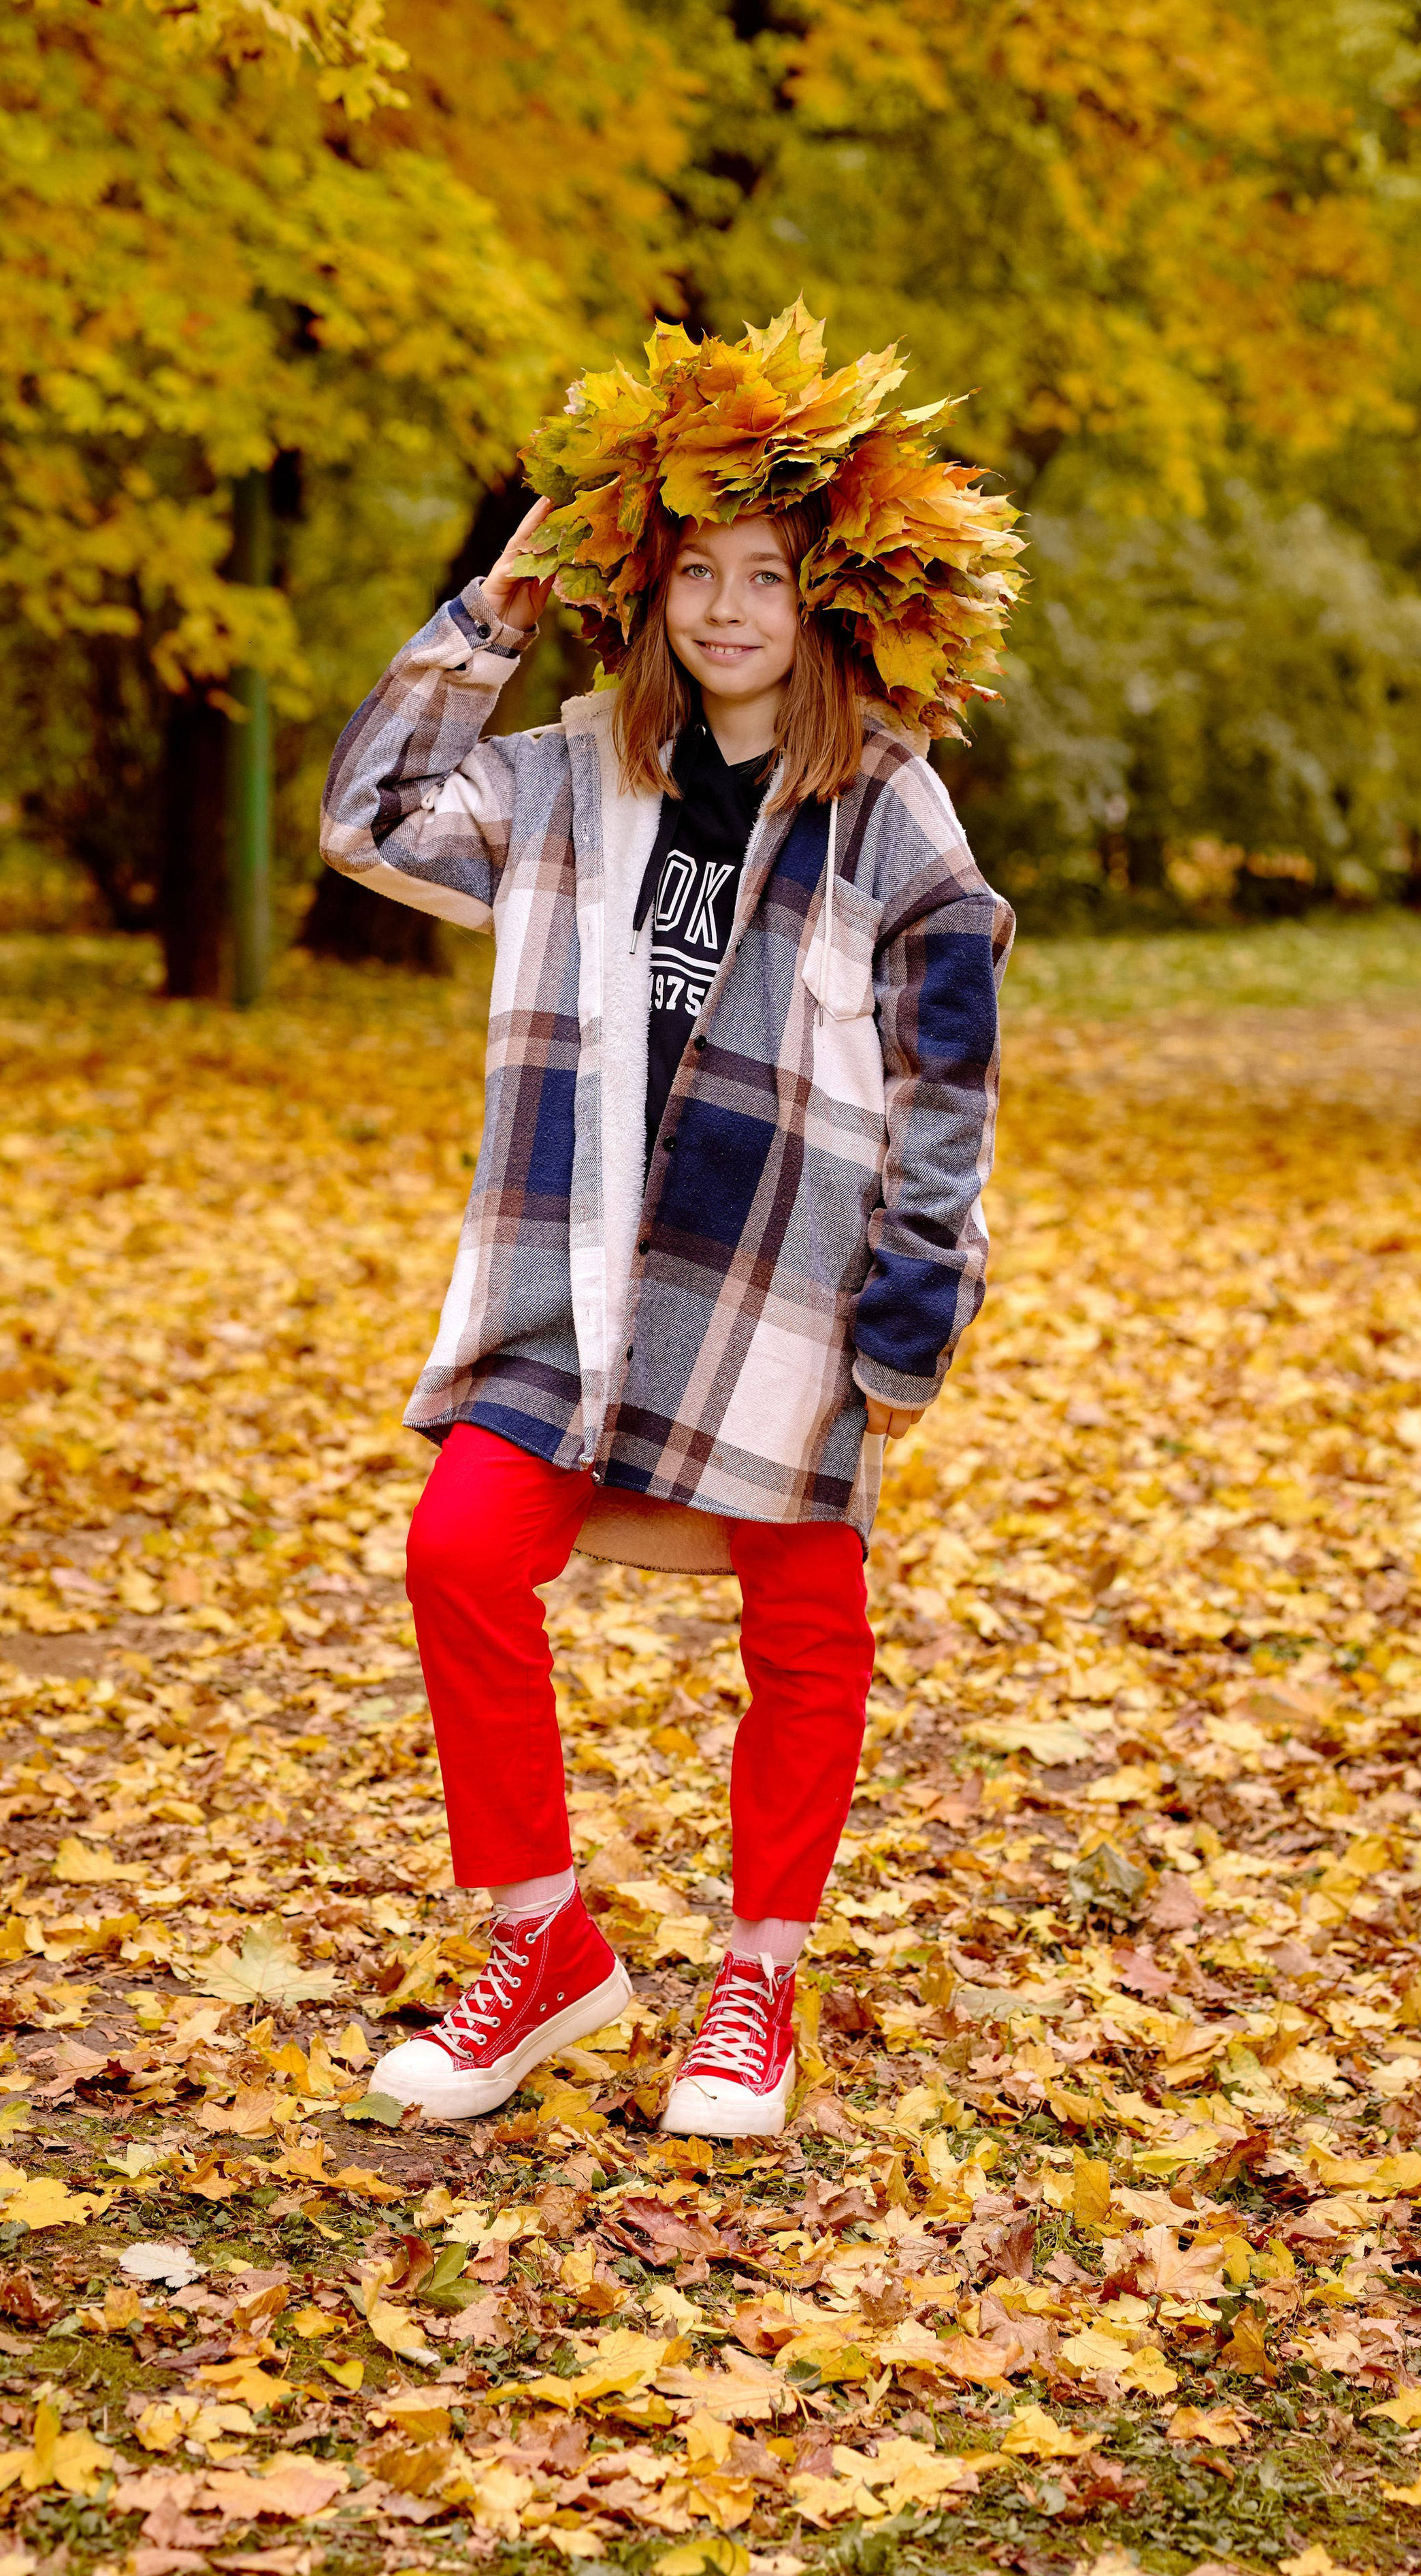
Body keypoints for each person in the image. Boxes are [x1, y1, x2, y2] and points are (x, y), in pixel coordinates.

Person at [319, 301, 1020, 2139]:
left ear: (831, 602)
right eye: (697, 570)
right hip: (578, 1277)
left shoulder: (890, 810)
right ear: (650, 585)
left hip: (788, 1288)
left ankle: (757, 1980)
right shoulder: (566, 774)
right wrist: (494, 609)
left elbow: (952, 1070)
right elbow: (366, 819)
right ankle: (543, 1946)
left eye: (767, 578)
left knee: (807, 1623)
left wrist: (912, 1317)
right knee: (463, 1552)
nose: (726, 610)